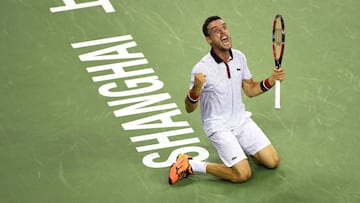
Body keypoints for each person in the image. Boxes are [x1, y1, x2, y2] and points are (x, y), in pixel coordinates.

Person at [168, 16, 285, 185]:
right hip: (218, 126)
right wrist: (196, 89)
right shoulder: (201, 68)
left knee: (272, 162)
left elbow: (250, 90)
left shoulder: (239, 57)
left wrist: (272, 80)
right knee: (242, 174)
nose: (223, 32)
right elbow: (189, 107)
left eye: (224, 27)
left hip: (241, 121)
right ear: (209, 40)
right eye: (216, 30)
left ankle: (240, 149)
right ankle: (190, 164)